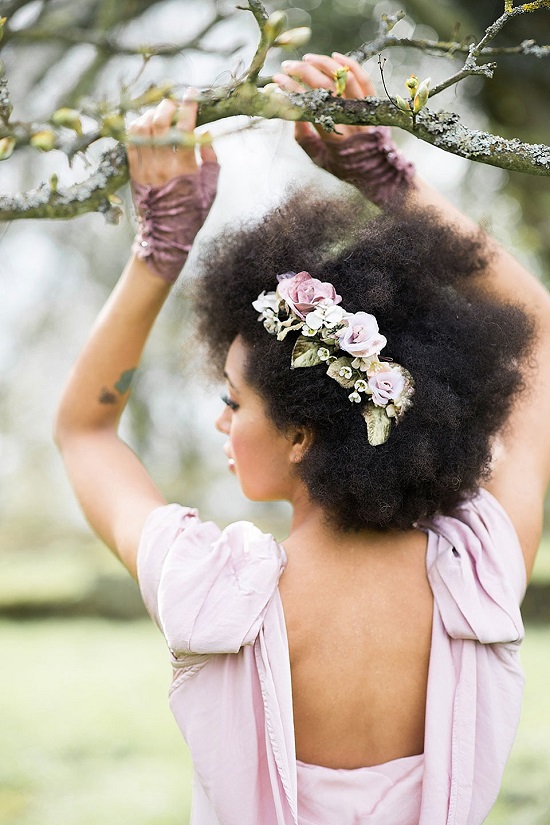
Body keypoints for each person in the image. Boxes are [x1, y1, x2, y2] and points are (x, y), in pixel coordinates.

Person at [54, 54, 550, 825]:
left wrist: (161, 245)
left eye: (234, 398)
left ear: (298, 434)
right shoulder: (481, 570)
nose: (222, 420)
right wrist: (392, 182)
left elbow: (84, 431)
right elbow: (540, 332)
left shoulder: (210, 590)